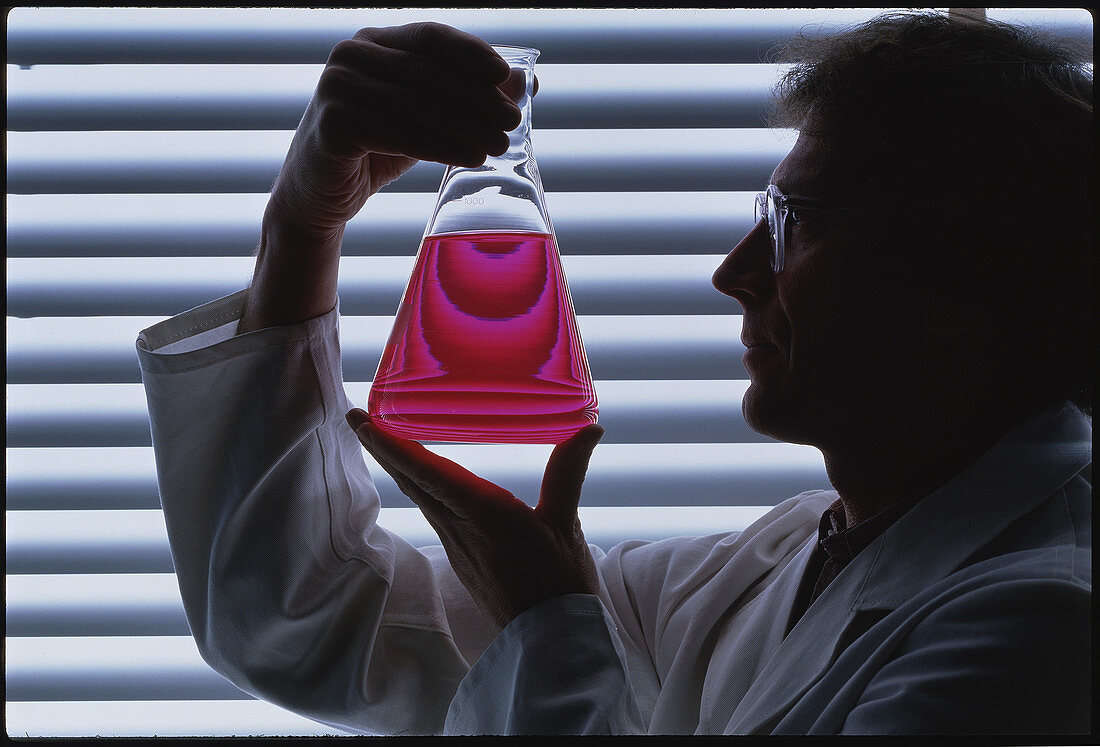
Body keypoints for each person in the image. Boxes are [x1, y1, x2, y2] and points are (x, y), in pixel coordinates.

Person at [137, 11, 1092, 736]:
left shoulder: (1043, 624)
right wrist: (305, 222)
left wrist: (545, 615)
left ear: (967, 281)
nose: (733, 273)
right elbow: (303, 618)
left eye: (798, 222)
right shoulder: (769, 568)